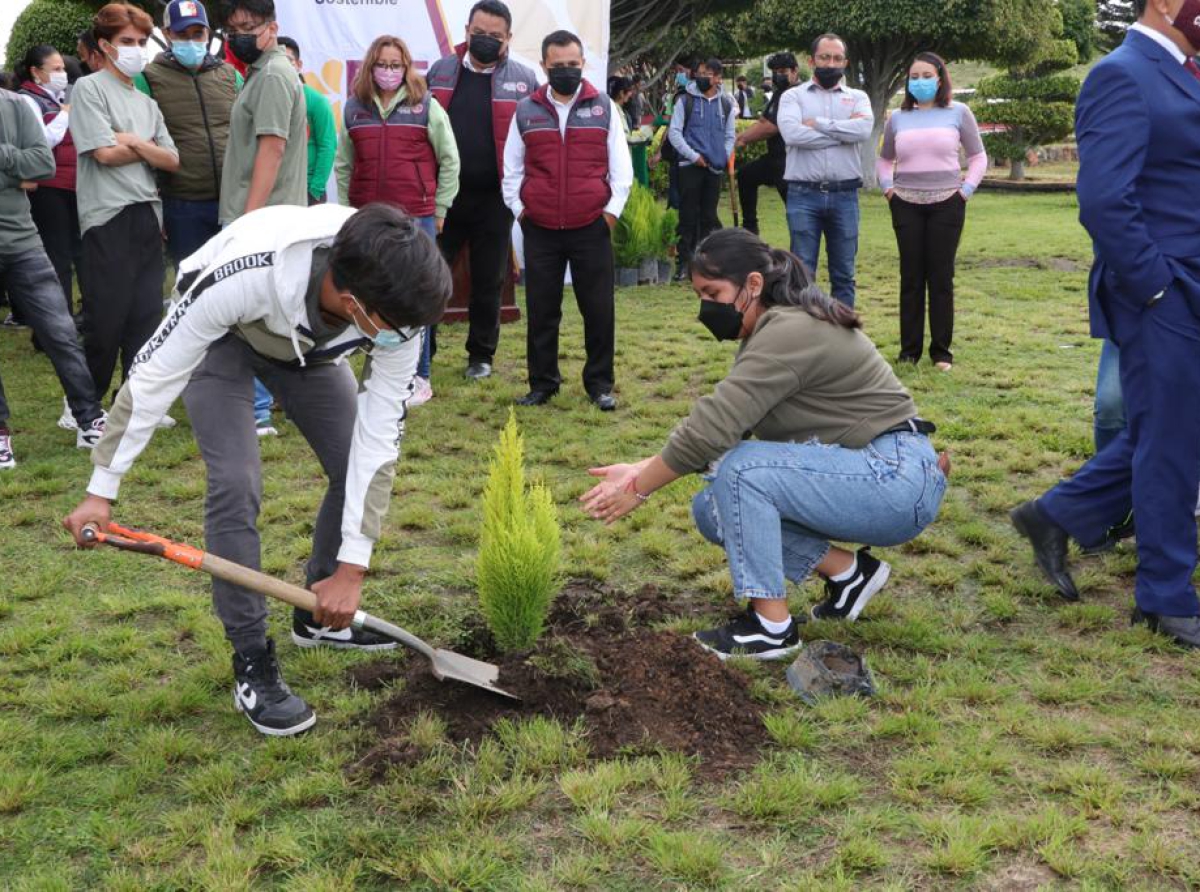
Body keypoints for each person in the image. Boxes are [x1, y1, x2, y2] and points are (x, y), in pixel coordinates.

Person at [63, 203, 452, 735]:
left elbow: (378, 441)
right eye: (397, 325)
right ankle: (251, 658)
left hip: (307, 352)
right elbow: (153, 376)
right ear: (351, 299)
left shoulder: (395, 314)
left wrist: (351, 569)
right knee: (236, 482)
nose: (406, 335)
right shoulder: (246, 275)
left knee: (351, 460)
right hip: (221, 337)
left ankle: (321, 613)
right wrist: (100, 491)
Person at [581, 229, 947, 658]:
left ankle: (771, 627)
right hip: (877, 472)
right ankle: (849, 574)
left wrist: (639, 489)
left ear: (753, 285)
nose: (706, 307)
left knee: (741, 471)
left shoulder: (790, 330)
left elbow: (713, 431)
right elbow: (725, 431)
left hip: (894, 477)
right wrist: (639, 469)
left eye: (712, 292)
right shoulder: (776, 329)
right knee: (713, 508)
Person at [1010, 0, 1200, 649]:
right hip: (1160, 287)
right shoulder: (1121, 73)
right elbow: (1102, 198)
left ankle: (1056, 512)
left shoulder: (1184, 68)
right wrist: (1153, 286)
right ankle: (1165, 598)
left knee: (1171, 428)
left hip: (1187, 279)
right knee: (1171, 441)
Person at [503, 30, 633, 411]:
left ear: (582, 64)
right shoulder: (526, 110)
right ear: (543, 65)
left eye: (572, 65)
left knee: (598, 309)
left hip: (590, 226)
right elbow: (511, 169)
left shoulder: (604, 106)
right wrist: (521, 212)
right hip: (540, 227)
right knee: (542, 310)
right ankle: (542, 384)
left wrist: (608, 216)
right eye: (557, 66)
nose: (565, 71)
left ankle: (599, 384)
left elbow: (621, 172)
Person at [336, 34, 460, 407]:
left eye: (396, 65)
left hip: (416, 216)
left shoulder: (427, 107)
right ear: (370, 67)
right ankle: (376, 372)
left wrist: (440, 210)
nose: (389, 71)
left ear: (407, 68)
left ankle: (419, 376)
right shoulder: (353, 108)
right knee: (368, 293)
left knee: (415, 296)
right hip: (368, 218)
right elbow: (344, 165)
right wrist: (344, 213)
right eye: (382, 64)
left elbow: (450, 159)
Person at [69, 3, 179, 406]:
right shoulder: (89, 88)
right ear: (105, 45)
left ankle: (131, 400)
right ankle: (84, 405)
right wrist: (145, 146)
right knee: (106, 318)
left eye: (141, 42)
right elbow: (102, 153)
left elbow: (173, 159)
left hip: (148, 213)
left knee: (146, 316)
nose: (136, 49)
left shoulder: (147, 104)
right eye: (126, 42)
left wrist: (130, 139)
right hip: (106, 215)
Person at [429, 0, 539, 381]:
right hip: (445, 197)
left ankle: (481, 355)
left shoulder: (526, 80)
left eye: (495, 36)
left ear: (508, 38)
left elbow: (536, 138)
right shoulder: (439, 72)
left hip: (495, 199)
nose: (486, 40)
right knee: (428, 274)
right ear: (466, 31)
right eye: (480, 34)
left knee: (489, 279)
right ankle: (422, 353)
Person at [0, 88, 109, 469]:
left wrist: (4, 156)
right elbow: (25, 170)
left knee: (60, 331)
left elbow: (41, 165)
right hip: (20, 233)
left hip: (21, 239)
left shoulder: (15, 106)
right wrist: (15, 172)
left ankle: (89, 417)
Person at [219, 0, 308, 437]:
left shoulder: (273, 74)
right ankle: (268, 404)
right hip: (260, 216)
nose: (239, 35)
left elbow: (272, 146)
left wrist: (248, 220)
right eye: (232, 28)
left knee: (255, 315)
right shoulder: (261, 73)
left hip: (262, 219)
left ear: (271, 28)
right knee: (265, 314)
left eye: (248, 27)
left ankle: (256, 410)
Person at [877, 52, 987, 371]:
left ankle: (941, 351)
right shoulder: (898, 118)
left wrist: (965, 191)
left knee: (940, 278)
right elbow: (884, 159)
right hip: (906, 204)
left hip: (947, 205)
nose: (920, 82)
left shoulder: (959, 112)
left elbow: (978, 157)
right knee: (911, 278)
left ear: (940, 79)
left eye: (927, 76)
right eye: (915, 76)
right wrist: (888, 188)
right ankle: (909, 350)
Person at [134, 0, 241, 268]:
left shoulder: (229, 74)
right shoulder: (146, 78)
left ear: (207, 33)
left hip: (232, 201)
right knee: (192, 281)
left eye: (197, 34)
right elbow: (142, 141)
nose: (191, 41)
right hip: (183, 204)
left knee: (236, 283)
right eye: (182, 34)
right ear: (167, 33)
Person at [777, 34, 873, 307]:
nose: (831, 63)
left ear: (846, 62)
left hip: (845, 195)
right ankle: (805, 337)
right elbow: (793, 135)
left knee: (844, 275)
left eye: (837, 58)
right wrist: (843, 132)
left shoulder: (858, 97)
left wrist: (817, 124)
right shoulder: (792, 97)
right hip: (803, 195)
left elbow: (864, 130)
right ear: (811, 60)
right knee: (802, 274)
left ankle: (843, 339)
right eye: (824, 57)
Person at [17, 46, 83, 318]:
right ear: (36, 72)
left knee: (78, 253)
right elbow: (41, 142)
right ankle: (57, 323)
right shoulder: (26, 100)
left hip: (74, 184)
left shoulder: (58, 97)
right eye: (55, 69)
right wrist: (66, 113)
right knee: (57, 258)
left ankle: (75, 319)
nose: (62, 74)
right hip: (48, 187)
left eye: (63, 69)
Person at [668, 57, 736, 280]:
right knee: (687, 216)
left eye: (707, 73)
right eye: (699, 72)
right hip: (689, 167)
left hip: (713, 169)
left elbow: (729, 136)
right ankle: (683, 264)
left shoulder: (726, 103)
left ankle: (706, 265)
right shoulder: (684, 101)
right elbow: (674, 133)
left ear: (718, 78)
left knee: (708, 216)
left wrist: (721, 157)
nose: (701, 77)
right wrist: (693, 156)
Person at [733, 52, 801, 236]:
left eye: (783, 71)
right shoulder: (779, 93)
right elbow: (763, 121)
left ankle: (801, 250)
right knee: (746, 175)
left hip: (791, 162)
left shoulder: (796, 94)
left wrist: (743, 139)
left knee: (796, 213)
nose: (778, 75)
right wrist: (738, 137)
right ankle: (750, 230)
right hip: (774, 158)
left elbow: (771, 127)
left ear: (795, 71)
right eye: (775, 72)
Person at [277, 37, 337, 205]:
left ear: (299, 65)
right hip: (276, 191)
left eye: (288, 61)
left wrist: (315, 190)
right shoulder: (267, 100)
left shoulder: (317, 101)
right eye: (277, 61)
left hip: (307, 191)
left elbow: (328, 146)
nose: (283, 67)